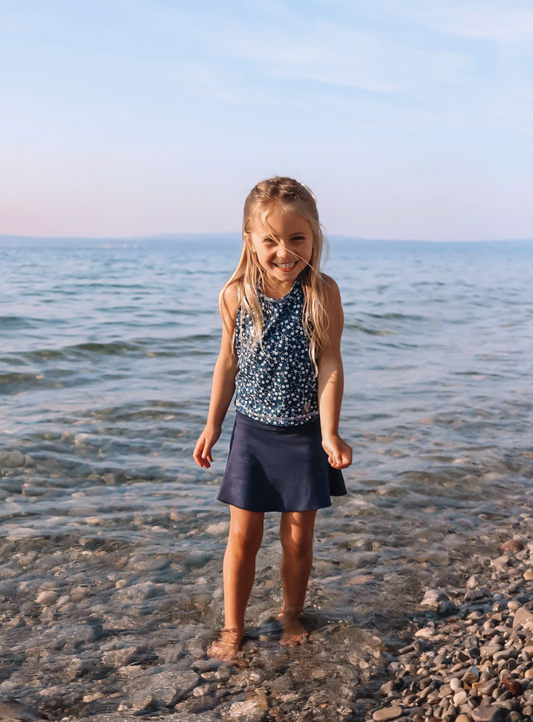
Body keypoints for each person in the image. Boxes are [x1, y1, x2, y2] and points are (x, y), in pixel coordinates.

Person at [193, 176, 353, 660]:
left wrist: (330, 432)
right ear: (250, 241)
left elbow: (330, 363)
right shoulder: (235, 295)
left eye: (297, 238)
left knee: (299, 536)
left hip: (304, 431)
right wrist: (213, 425)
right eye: (270, 240)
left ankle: (290, 614)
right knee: (242, 537)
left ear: (315, 236)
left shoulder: (321, 293)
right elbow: (227, 362)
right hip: (253, 433)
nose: (284, 251)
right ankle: (232, 626)